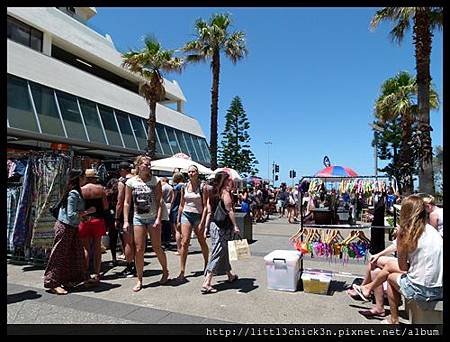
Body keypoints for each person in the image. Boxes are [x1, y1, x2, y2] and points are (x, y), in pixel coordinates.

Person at [352, 195, 443, 324]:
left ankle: (393, 320)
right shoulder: (431, 231)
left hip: (423, 290)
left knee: (390, 277)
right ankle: (368, 290)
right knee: (385, 265)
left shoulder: (405, 233)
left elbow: (403, 267)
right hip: (439, 287)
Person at [44, 169, 95, 294]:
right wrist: (88, 212)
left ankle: (71, 279)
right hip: (65, 227)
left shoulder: (74, 192)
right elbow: (71, 215)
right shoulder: (73, 193)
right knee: (59, 255)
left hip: (70, 227)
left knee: (75, 254)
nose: (85, 180)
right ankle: (52, 282)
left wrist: (84, 216)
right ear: (78, 179)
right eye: (83, 177)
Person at [123, 155, 169, 292]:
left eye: (149, 165)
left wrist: (158, 219)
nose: (148, 167)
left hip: (152, 217)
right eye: (145, 164)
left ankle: (165, 271)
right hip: (138, 218)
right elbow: (127, 202)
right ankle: (139, 279)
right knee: (139, 249)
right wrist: (125, 220)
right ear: (138, 166)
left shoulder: (155, 181)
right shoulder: (131, 182)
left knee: (157, 247)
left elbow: (160, 201)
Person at [201, 171, 241, 294]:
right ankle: (207, 281)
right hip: (223, 226)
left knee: (223, 250)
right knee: (218, 252)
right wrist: (235, 226)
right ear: (224, 180)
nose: (231, 181)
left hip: (214, 225)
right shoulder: (225, 192)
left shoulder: (212, 192)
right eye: (229, 179)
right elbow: (229, 210)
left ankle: (229, 274)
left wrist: (206, 227)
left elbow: (208, 210)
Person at [177, 165, 209, 281]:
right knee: (184, 242)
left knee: (201, 241)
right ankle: (182, 271)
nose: (191, 173)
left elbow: (206, 206)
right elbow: (181, 204)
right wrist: (178, 218)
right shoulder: (184, 186)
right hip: (186, 214)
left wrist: (203, 222)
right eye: (189, 172)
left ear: (197, 173)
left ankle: (207, 264)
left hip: (198, 215)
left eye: (193, 171)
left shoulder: (202, 186)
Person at [79, 169, 108, 284]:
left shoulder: (81, 190)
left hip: (84, 220)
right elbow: (105, 206)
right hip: (98, 220)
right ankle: (97, 272)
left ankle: (85, 273)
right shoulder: (100, 189)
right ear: (94, 178)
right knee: (97, 247)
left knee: (85, 248)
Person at [115, 161, 136, 278]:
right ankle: (138, 265)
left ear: (123, 170)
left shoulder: (123, 182)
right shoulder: (137, 179)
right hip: (139, 213)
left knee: (127, 242)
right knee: (137, 242)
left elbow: (120, 202)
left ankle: (130, 266)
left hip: (127, 214)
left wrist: (117, 217)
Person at [104, 177, 122, 266]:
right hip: (120, 215)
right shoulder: (120, 192)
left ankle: (114, 258)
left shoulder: (106, 193)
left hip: (110, 216)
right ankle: (127, 256)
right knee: (123, 237)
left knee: (112, 238)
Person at [170, 172, 185, 254]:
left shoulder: (177, 187)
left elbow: (173, 199)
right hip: (185, 208)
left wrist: (171, 207)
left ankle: (179, 249)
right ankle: (184, 247)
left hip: (176, 208)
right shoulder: (186, 185)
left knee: (177, 230)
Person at [160, 177, 174, 250]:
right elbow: (173, 198)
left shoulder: (163, 187)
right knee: (167, 225)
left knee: (163, 224)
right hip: (169, 205)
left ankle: (163, 241)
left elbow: (160, 197)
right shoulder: (171, 187)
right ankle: (167, 241)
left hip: (164, 205)